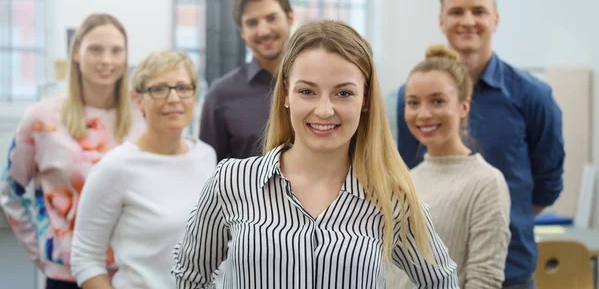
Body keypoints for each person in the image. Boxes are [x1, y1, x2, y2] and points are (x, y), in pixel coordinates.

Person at [173, 20, 459, 288]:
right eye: (307, 91)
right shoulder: (232, 182)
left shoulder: (391, 196)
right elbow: (189, 276)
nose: (324, 110)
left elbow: (442, 281)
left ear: (365, 99)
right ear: (286, 94)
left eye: (343, 93)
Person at [396, 0, 565, 288]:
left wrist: (490, 216)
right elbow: (412, 174)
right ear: (441, 21)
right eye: (457, 12)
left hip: (509, 272)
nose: (467, 21)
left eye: (479, 11)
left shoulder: (533, 97)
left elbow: (549, 184)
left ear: (496, 20)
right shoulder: (413, 100)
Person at [0, 13, 145, 289]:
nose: (107, 60)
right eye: (95, 49)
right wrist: (42, 251)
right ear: (76, 53)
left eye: (116, 51)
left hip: (134, 273)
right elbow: (11, 194)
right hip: (67, 276)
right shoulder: (41, 119)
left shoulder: (143, 114)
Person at [70, 50, 217, 289]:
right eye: (158, 89)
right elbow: (85, 258)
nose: (173, 99)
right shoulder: (116, 168)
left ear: (194, 95)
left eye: (183, 87)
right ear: (139, 100)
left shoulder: (206, 156)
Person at [391, 44, 511, 288]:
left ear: (463, 107)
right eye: (413, 103)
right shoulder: (406, 179)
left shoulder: (487, 183)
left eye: (437, 101)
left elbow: (484, 281)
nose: (423, 114)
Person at [199, 0, 294, 162]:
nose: (264, 31)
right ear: (241, 31)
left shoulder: (318, 86)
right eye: (252, 23)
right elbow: (209, 173)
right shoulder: (220, 96)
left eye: (272, 18)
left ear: (290, 17)